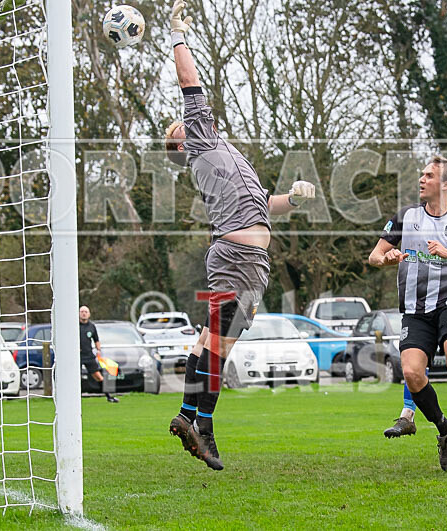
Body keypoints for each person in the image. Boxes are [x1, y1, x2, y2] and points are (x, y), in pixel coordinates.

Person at [165, 0, 315, 471]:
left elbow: (261, 212)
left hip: (244, 259)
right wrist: (177, 34)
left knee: (206, 344)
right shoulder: (203, 142)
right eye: (181, 128)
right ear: (185, 142)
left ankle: (189, 415)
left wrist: (292, 200)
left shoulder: (221, 153)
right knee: (217, 345)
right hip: (237, 261)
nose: (186, 122)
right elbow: (190, 82)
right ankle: (202, 427)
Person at [368, 156, 447, 471]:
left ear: (446, 185)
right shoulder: (406, 217)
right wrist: (386, 259)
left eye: (429, 175)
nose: (422, 179)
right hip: (415, 311)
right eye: (422, 174)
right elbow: (374, 255)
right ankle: (445, 430)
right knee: (412, 374)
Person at [79, 306, 119, 404]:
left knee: (98, 376)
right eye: (82, 311)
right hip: (77, 356)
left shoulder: (91, 326)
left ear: (89, 314)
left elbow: (96, 340)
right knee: (75, 377)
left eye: (86, 312)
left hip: (88, 355)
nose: (84, 313)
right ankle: (74, 398)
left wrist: (98, 350)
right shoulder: (74, 326)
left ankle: (109, 397)